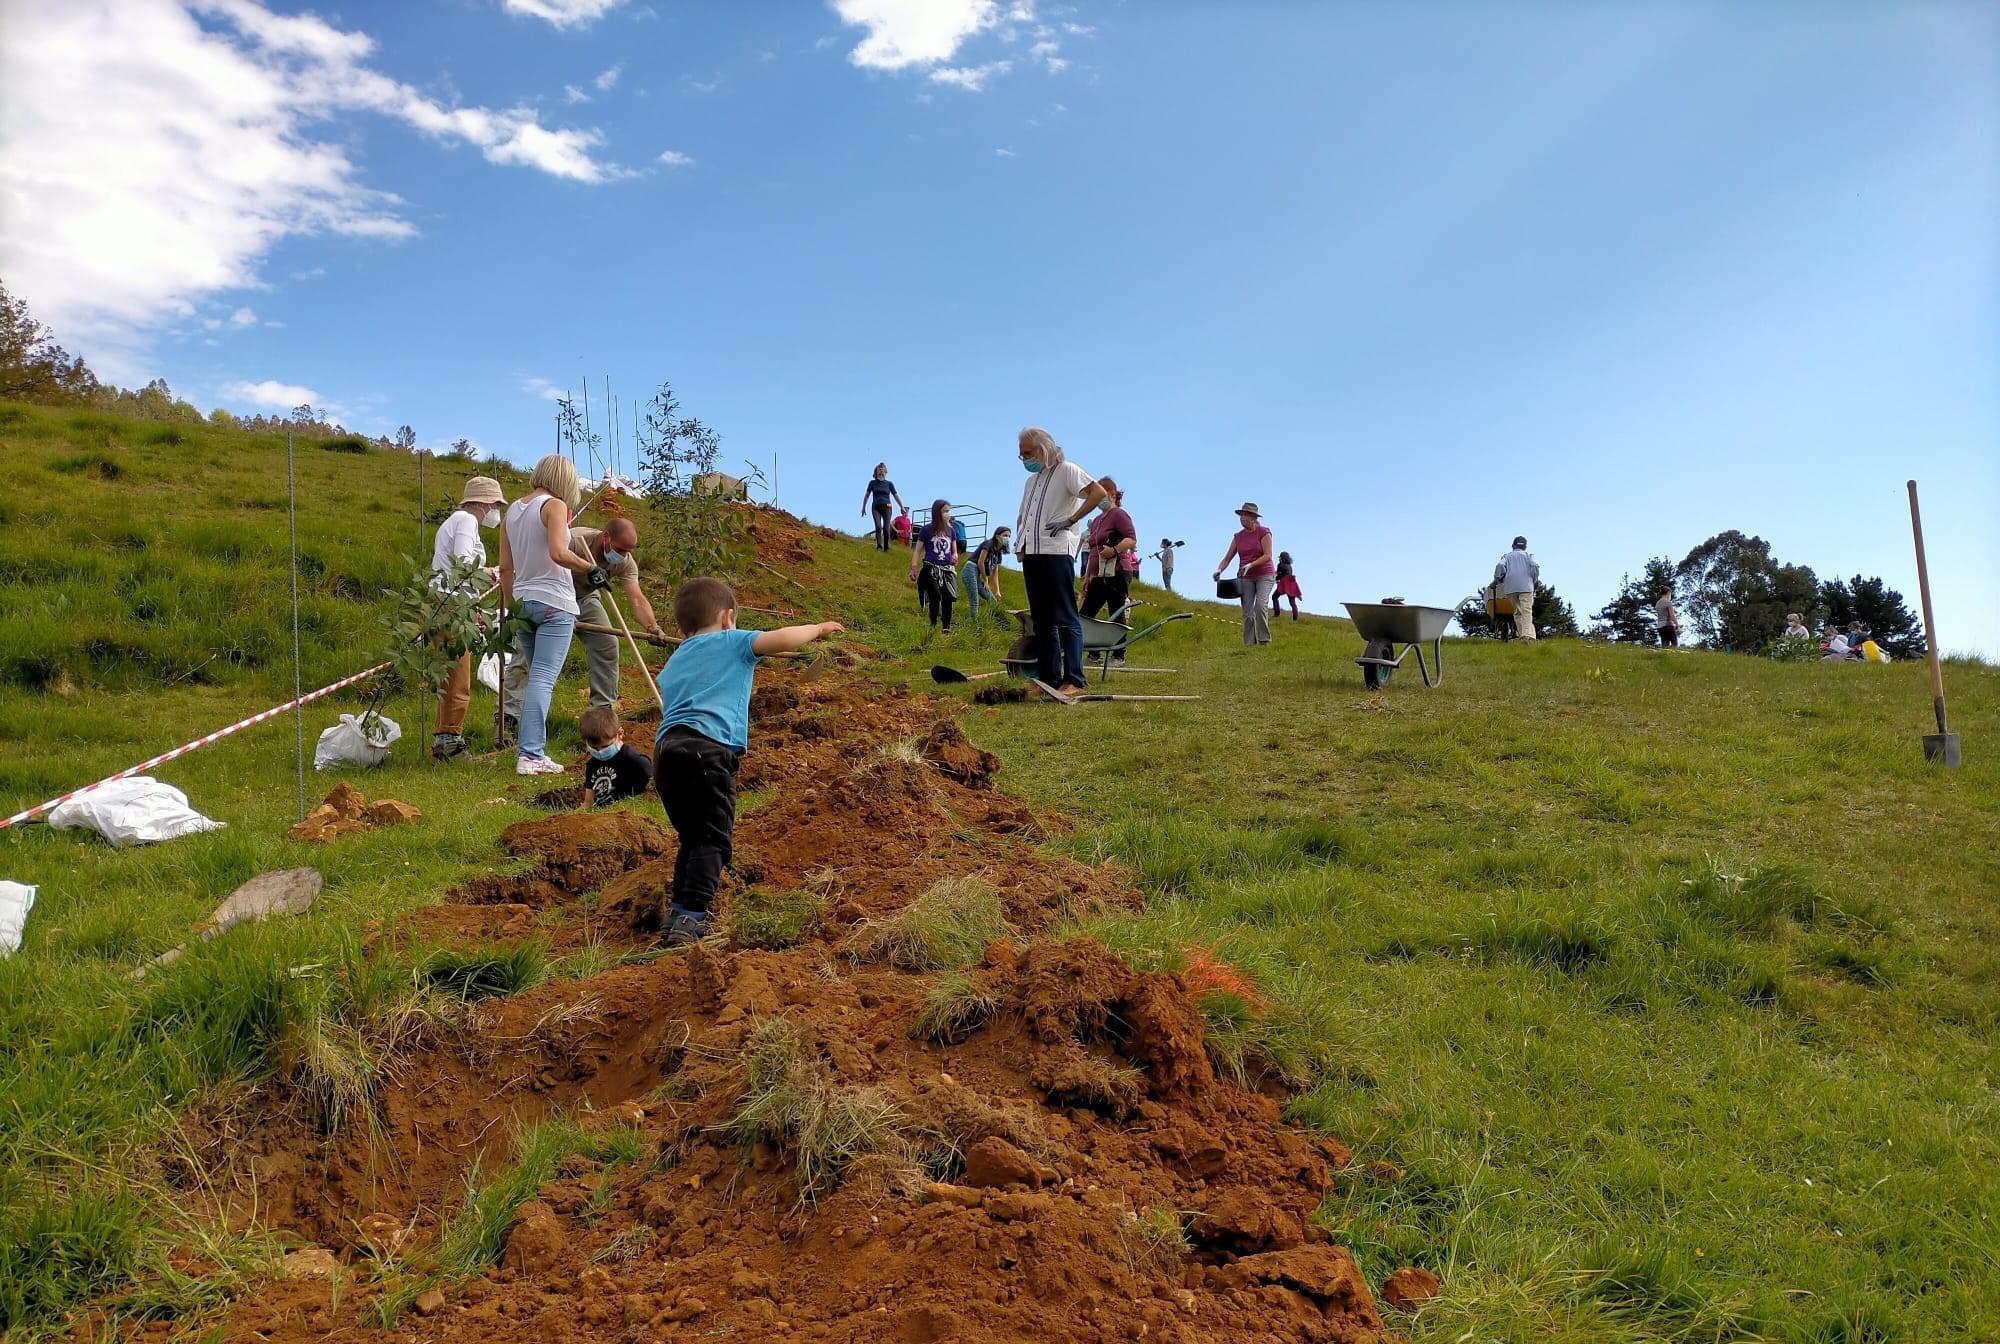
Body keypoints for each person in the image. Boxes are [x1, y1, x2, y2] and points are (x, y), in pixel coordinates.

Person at [652, 577, 843, 942]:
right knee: (712, 839)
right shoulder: (732, 641)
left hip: (666, 752)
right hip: (707, 749)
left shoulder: (677, 657)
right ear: (728, 618)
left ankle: (678, 913)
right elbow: (781, 639)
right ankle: (692, 917)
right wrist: (818, 629)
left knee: (694, 837)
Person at [502, 517, 663, 731]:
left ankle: (602, 714)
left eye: (628, 551)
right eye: (620, 549)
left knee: (607, 643)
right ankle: (509, 717)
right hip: (550, 594)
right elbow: (544, 561)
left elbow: (636, 598)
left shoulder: (624, 561)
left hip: (584, 599)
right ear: (606, 537)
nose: (623, 556)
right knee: (525, 654)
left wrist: (652, 627)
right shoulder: (575, 541)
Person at [498, 454, 597, 775]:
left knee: (533, 678)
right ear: (564, 480)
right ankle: (531, 755)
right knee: (543, 679)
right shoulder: (554, 506)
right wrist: (590, 568)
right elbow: (558, 552)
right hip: (555, 602)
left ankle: (530, 750)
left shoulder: (511, 511)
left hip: (523, 602)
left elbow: (505, 568)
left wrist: (509, 607)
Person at [1015, 426, 1107, 697]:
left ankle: (1075, 678)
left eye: (1027, 453)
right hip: (1032, 554)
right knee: (1042, 620)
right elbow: (1025, 516)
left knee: (1065, 616)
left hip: (1056, 551)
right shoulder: (1031, 482)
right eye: (1020, 455)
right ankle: (1048, 678)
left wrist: (1071, 519)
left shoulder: (1067, 470)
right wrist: (1021, 544)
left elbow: (1098, 493)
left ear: (1043, 449)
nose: (1024, 460)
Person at [428, 475, 505, 763]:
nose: (496, 511)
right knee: (457, 675)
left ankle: (445, 741)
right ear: (483, 502)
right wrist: (491, 573)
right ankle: (450, 743)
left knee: (449, 674)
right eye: (495, 504)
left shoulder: (456, 521)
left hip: (446, 600)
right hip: (451, 603)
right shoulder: (466, 521)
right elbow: (462, 564)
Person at [1213, 502, 1276, 646]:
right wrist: (1218, 570)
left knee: (1260, 606)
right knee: (1247, 611)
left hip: (1264, 574)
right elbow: (1227, 558)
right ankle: (1249, 644)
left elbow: (1268, 555)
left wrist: (1251, 564)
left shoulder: (1264, 532)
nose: (1242, 519)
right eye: (1241, 516)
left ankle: (1264, 640)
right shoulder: (1238, 537)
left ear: (1254, 518)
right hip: (1246, 577)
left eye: (1245, 516)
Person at [1080, 477, 1138, 620]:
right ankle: (1084, 641)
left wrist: (1114, 550)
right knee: (1085, 615)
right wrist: (1088, 576)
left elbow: (1131, 539)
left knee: (1116, 616)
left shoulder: (1119, 514)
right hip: (1099, 575)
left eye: (1100, 494)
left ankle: (1118, 642)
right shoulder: (1096, 521)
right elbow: (1093, 550)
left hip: (1116, 572)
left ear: (1111, 493)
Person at [579, 705, 653, 805]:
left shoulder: (636, 761)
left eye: (605, 747)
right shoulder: (592, 765)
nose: (600, 752)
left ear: (620, 734)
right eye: (594, 748)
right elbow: (588, 802)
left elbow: (652, 791)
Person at [909, 499, 964, 631]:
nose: (948, 514)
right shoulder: (926, 530)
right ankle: (933, 623)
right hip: (930, 567)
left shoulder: (951, 531)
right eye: (945, 511)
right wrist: (914, 568)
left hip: (946, 569)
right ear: (937, 512)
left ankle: (946, 626)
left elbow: (954, 550)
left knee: (949, 597)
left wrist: (955, 556)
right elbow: (917, 550)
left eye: (948, 511)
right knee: (935, 596)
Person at [1493, 536, 1540, 641]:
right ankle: (1527, 636)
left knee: (1517, 612)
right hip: (1526, 586)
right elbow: (1535, 566)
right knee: (1526, 610)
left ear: (1513, 546)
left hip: (1510, 587)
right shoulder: (1529, 556)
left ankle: (1524, 636)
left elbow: (1500, 565)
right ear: (1525, 546)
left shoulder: (1506, 556)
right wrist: (1535, 580)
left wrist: (1498, 578)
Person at [963, 526, 1011, 622]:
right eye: (1005, 535)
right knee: (974, 601)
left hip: (977, 575)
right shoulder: (988, 544)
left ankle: (993, 621)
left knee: (993, 601)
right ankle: (974, 623)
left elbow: (995, 573)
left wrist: (997, 590)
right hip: (970, 569)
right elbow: (980, 562)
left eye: (1009, 536)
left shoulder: (998, 553)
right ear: (997, 536)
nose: (1007, 538)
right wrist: (985, 580)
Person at [861, 464, 903, 551]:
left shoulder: (889, 484)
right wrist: (863, 507)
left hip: (887, 508)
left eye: (882, 470)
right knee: (878, 526)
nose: (881, 472)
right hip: (876, 508)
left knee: (886, 528)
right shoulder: (872, 483)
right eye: (879, 470)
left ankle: (886, 547)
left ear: (885, 472)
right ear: (876, 472)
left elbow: (896, 495)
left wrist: (901, 507)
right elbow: (866, 496)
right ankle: (879, 547)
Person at [1272, 551, 1302, 621]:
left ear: (1282, 558)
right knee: (1292, 602)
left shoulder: (1280, 565)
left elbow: (1279, 575)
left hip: (1285, 582)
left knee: (1274, 597)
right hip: (1291, 582)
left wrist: (1276, 579)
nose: (1279, 559)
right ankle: (1295, 618)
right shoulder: (1289, 566)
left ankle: (1277, 613)